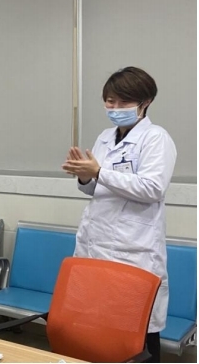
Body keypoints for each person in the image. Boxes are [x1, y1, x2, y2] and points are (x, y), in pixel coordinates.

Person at [62, 67, 176, 363]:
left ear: (145, 102)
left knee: (138, 335)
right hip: (96, 246)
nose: (114, 108)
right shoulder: (104, 138)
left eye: (123, 102)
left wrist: (99, 172)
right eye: (109, 101)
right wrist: (85, 177)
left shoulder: (156, 138)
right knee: (98, 332)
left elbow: (152, 188)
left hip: (133, 251)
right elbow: (97, 190)